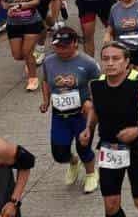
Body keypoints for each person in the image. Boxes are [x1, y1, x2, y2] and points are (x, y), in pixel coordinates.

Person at [80, 42, 138, 217]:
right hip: (109, 148)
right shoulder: (96, 84)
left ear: (127, 62)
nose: (110, 63)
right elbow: (95, 108)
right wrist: (88, 129)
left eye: (116, 59)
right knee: (111, 205)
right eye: (106, 59)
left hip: (137, 148)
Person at [39, 26, 100, 194]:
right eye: (57, 46)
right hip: (59, 114)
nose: (60, 50)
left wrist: (93, 107)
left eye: (65, 46)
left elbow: (98, 87)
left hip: (82, 113)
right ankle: (74, 162)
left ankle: (91, 174)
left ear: (75, 44)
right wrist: (46, 101)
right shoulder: (49, 61)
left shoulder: (88, 63)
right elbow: (45, 81)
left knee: (83, 147)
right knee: (59, 153)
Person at [2, 0, 43, 91]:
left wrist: (21, 5)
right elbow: (3, 3)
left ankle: (33, 79)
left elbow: (36, 1)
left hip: (31, 22)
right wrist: (9, 7)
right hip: (14, 24)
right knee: (18, 55)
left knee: (27, 52)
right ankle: (30, 59)